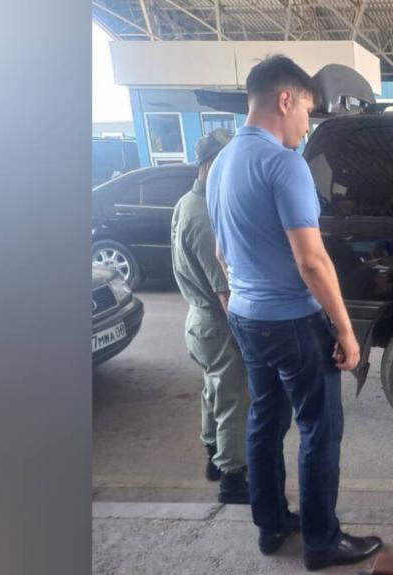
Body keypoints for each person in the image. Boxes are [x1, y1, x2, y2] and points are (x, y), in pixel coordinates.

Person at [206, 54, 383, 571]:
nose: (309, 123)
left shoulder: (221, 163)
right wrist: (347, 332)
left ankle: (271, 525)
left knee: (265, 419)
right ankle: (323, 542)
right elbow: (311, 260)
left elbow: (222, 252)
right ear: (286, 99)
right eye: (308, 109)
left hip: (246, 315)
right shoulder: (284, 164)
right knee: (319, 429)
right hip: (291, 321)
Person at [170, 128, 250, 505]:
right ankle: (233, 479)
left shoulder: (187, 202)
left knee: (213, 392)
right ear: (208, 164)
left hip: (199, 324)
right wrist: (249, 337)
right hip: (217, 323)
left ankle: (213, 460)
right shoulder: (204, 215)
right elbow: (225, 292)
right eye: (224, 159)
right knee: (234, 399)